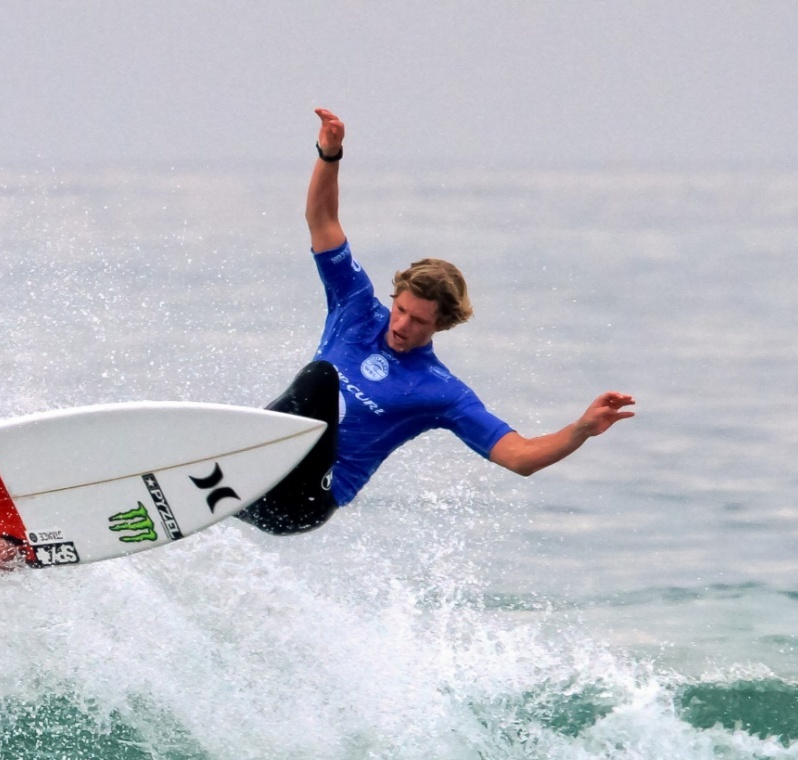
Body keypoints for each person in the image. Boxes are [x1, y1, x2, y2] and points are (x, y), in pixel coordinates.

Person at [237, 108, 636, 535]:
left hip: (306, 500)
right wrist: (329, 154)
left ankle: (236, 462)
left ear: (441, 326)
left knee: (320, 378)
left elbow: (520, 457)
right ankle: (213, 470)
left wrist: (580, 430)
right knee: (318, 379)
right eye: (401, 309)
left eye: (419, 321)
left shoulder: (439, 391)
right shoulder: (354, 307)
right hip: (260, 478)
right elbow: (323, 221)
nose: (403, 325)